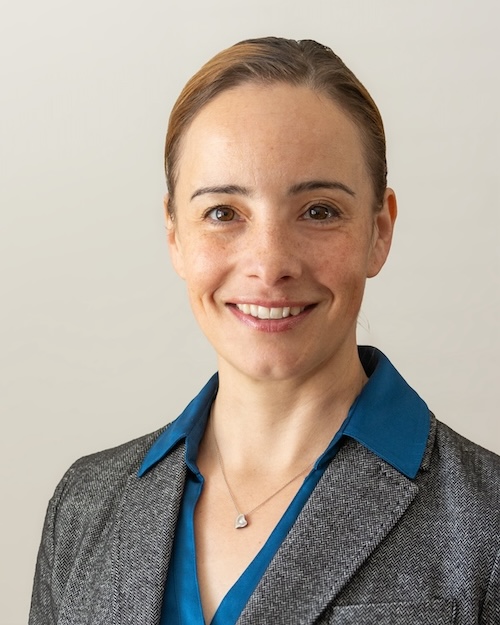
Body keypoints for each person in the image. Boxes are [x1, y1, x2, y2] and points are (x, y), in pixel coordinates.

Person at [29, 37, 499, 625]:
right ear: (175, 236)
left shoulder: (486, 522)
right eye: (223, 213)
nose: (270, 263)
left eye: (319, 210)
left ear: (379, 231)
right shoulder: (84, 504)